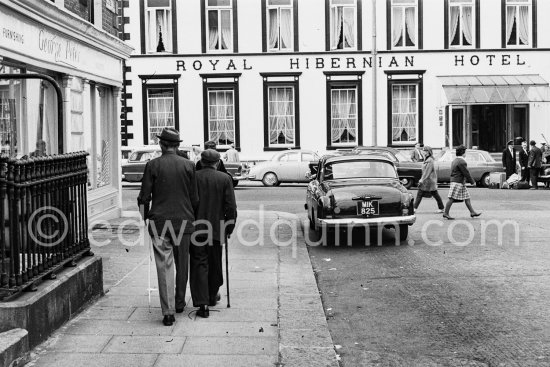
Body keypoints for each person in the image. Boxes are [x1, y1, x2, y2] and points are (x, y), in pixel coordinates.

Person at [137, 127, 199, 326]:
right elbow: (195, 198)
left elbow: (144, 198)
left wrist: (145, 218)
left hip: (160, 222)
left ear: (161, 144)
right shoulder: (189, 166)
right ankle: (180, 302)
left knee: (164, 266)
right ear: (177, 145)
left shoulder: (152, 165)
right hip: (184, 221)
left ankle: (168, 311)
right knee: (182, 264)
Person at [190, 149, 237, 318]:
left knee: (199, 264)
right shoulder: (225, 179)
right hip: (216, 229)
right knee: (215, 263)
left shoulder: (193, 177)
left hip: (196, 229)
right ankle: (211, 295)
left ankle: (202, 303)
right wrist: (229, 229)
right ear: (218, 163)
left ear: (201, 162)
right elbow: (231, 208)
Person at [443, 145, 481, 220]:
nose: (466, 153)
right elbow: (466, 173)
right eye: (465, 152)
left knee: (467, 197)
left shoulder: (455, 160)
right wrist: (472, 182)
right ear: (463, 153)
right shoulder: (462, 161)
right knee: (451, 198)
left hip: (457, 182)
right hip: (458, 182)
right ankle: (446, 213)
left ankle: (472, 212)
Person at [414, 146, 444, 213]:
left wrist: (422, 179)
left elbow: (427, 171)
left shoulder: (430, 160)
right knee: (432, 194)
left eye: (424, 151)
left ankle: (414, 208)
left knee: (422, 194)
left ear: (427, 152)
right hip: (427, 180)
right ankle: (441, 208)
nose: (422, 152)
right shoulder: (427, 159)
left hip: (429, 181)